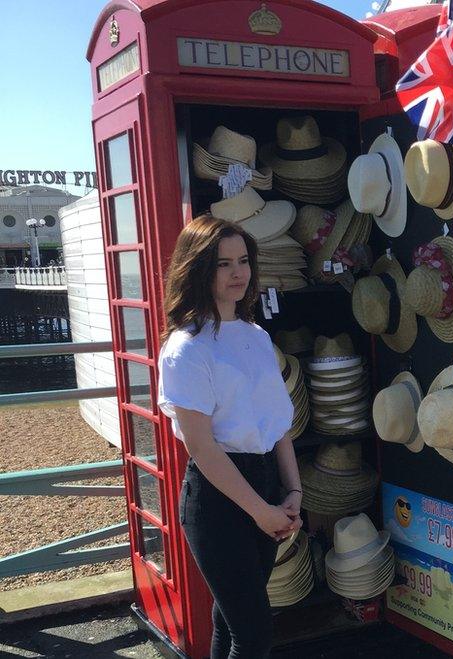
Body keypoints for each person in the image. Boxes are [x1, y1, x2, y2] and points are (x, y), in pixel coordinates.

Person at [157, 215, 302, 658]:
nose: (238, 273)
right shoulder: (187, 347)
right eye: (223, 264)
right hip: (219, 499)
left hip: (264, 483)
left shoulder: (257, 336)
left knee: (230, 621)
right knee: (253, 634)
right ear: (198, 268)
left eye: (243, 261)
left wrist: (293, 491)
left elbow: (278, 425)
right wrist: (261, 511)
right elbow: (201, 447)